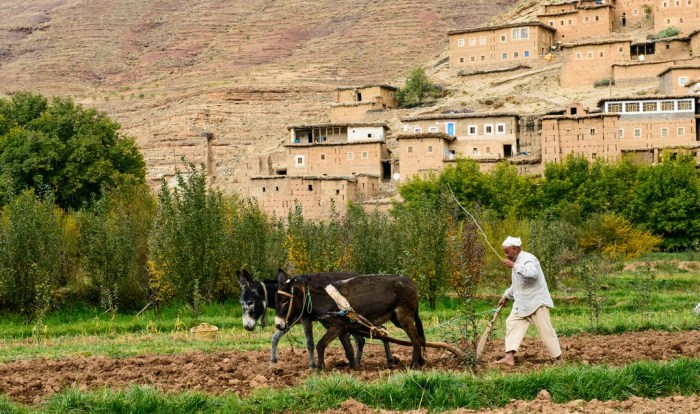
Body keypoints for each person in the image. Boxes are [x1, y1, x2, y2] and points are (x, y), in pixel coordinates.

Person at [494, 236, 562, 366]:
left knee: (546, 331)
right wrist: (506, 296)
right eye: (505, 252)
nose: (506, 255)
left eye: (507, 251)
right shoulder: (516, 262)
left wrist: (514, 266)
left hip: (536, 302)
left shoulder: (528, 259)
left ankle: (558, 359)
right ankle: (509, 358)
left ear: (515, 249)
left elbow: (532, 273)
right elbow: (517, 284)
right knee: (511, 323)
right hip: (522, 303)